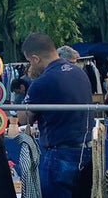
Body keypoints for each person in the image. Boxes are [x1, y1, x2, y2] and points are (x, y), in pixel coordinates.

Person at [19, 32, 93, 197]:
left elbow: (23, 118)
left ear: (36, 59)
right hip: (87, 152)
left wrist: (30, 85)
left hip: (60, 154)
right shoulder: (80, 73)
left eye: (30, 61)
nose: (30, 65)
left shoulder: (42, 82)